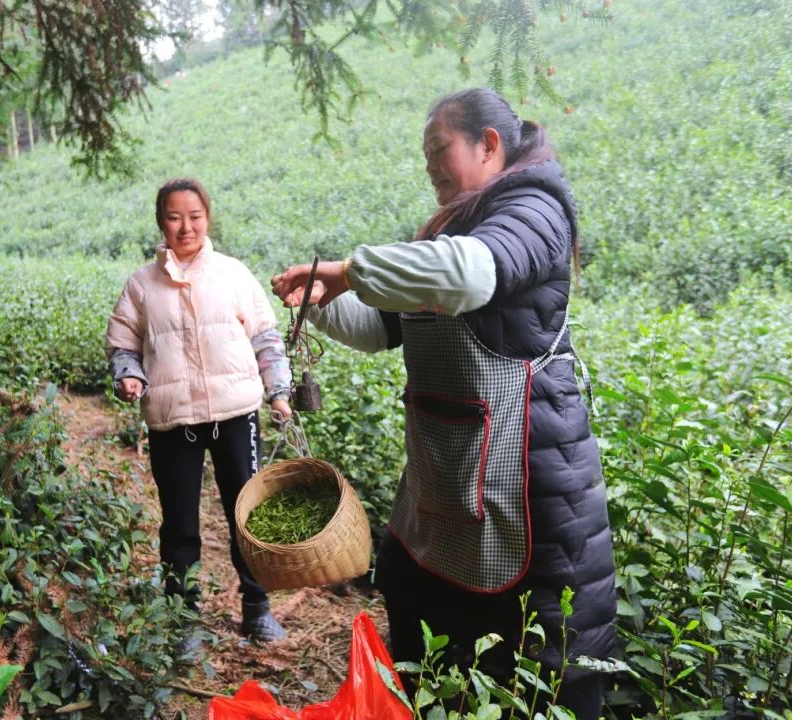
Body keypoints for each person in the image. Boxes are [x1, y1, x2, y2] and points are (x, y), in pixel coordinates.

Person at [271, 89, 617, 718]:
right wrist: (323, 298)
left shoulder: (534, 209)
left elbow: (469, 276)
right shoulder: (455, 227)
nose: (430, 164)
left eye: (439, 149)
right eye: (425, 153)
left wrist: (351, 269)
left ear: (489, 144)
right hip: (448, 488)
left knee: (527, 669)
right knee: (429, 634)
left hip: (528, 494)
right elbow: (383, 328)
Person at [106, 177, 292, 646]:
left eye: (194, 216)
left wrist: (279, 392)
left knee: (246, 514)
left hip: (236, 413)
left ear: (207, 218)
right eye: (174, 217)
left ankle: (256, 607)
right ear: (160, 222)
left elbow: (265, 337)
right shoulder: (141, 285)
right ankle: (183, 619)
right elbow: (123, 343)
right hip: (173, 421)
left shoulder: (233, 274)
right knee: (180, 523)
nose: (185, 227)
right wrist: (129, 375)